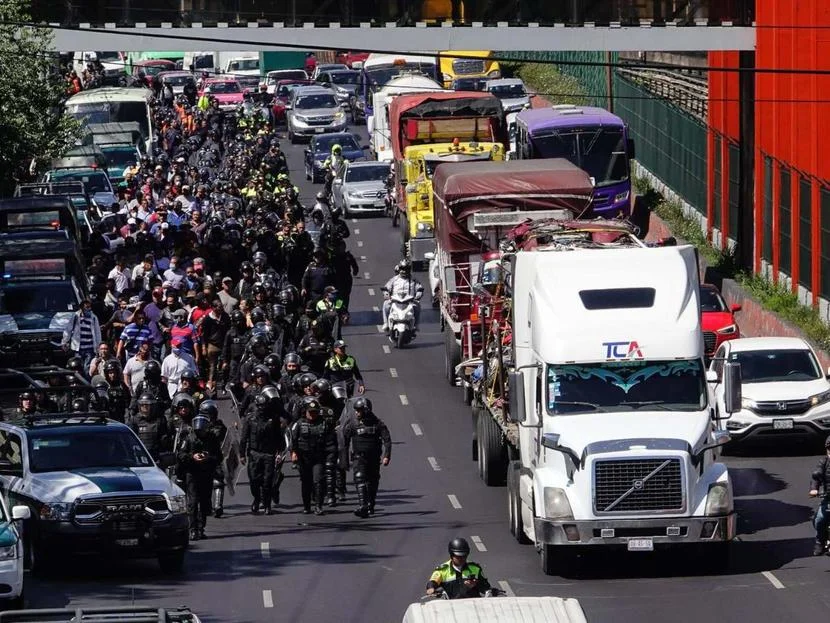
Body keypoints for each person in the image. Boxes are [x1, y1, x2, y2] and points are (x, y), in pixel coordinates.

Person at [340, 397, 391, 518]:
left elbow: (387, 440)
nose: (357, 413)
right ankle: (363, 506)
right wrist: (344, 461)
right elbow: (344, 442)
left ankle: (370, 504)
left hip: (373, 459)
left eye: (359, 410)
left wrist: (387, 456)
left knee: (372, 481)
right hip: (359, 457)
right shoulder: (352, 424)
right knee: (359, 478)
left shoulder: (378, 423)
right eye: (356, 410)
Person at [240, 389, 286, 515]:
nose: (262, 409)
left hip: (269, 454)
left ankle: (267, 504)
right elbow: (244, 438)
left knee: (267, 481)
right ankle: (257, 499)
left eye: (264, 406)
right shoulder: (250, 419)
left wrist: (280, 453)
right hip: (254, 453)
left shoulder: (274, 419)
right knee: (254, 480)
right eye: (260, 406)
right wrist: (242, 454)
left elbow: (279, 437)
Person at [175, 414, 220, 540]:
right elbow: (180, 455)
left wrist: (208, 457)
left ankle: (201, 528)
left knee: (205, 501)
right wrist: (192, 457)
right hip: (192, 473)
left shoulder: (212, 439)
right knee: (193, 502)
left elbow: (219, 457)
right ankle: (193, 529)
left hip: (206, 474)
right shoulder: (188, 438)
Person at [290, 397, 338, 515]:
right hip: (304, 458)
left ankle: (318, 505)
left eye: (315, 412)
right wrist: (294, 453)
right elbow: (293, 440)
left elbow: (331, 441)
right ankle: (307, 506)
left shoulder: (324, 424)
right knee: (306, 482)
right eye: (310, 412)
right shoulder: (299, 424)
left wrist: (331, 457)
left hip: (318, 457)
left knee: (318, 481)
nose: (312, 415)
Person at [425, 538, 492, 599]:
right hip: (451, 607)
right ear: (451, 555)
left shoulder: (475, 568)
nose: (461, 559)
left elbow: (486, 587)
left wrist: (475, 585)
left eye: (464, 556)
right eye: (458, 556)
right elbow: (432, 582)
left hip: (474, 606)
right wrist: (431, 588)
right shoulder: (442, 570)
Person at [381, 259, 424, 333]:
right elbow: (386, 288)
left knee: (417, 305)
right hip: (395, 300)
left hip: (409, 301)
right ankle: (386, 323)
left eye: (406, 269)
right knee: (386, 304)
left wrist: (418, 294)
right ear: (399, 269)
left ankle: (416, 325)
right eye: (402, 269)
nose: (404, 271)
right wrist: (386, 293)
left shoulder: (414, 280)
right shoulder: (394, 280)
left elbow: (419, 288)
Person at [61, 299, 103, 370]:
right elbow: (68, 330)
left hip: (89, 349)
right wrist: (64, 342)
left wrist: (98, 348)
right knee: (77, 366)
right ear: (82, 308)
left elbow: (97, 333)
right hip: (78, 349)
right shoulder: (76, 316)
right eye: (87, 307)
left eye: (90, 307)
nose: (89, 309)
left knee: (87, 367)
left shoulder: (93, 318)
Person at [128, 392, 170, 462]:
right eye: (142, 405)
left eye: (147, 405)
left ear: (153, 406)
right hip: (139, 457)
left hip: (155, 458)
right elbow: (130, 441)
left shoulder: (160, 420)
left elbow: (164, 442)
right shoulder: (134, 420)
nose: (144, 407)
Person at [809, 435, 830, 555]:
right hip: (828, 497)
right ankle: (820, 541)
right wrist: (814, 489)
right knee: (820, 519)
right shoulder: (824, 462)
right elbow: (816, 477)